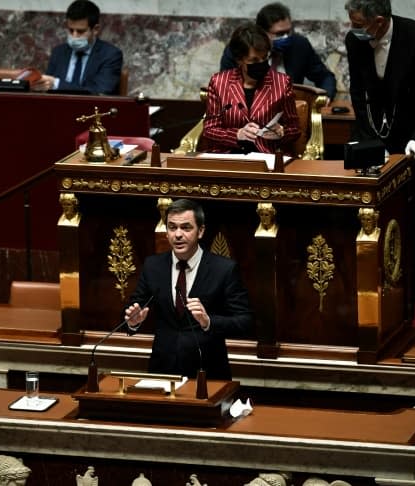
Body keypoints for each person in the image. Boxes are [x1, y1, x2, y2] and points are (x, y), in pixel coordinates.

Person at [344, 0, 415, 304]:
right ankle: (369, 291)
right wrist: (370, 141)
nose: (353, 30)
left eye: (359, 24)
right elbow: (358, 94)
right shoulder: (355, 41)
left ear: (378, 20)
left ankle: (411, 296)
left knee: (413, 221)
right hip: (375, 137)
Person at [124, 199, 254, 380]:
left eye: (186, 228)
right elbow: (135, 306)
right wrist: (133, 321)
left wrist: (208, 321)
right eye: (172, 227)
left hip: (207, 374)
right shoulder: (153, 266)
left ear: (200, 231)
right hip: (163, 373)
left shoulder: (223, 269)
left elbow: (244, 322)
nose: (178, 234)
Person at [203, 22, 301, 155]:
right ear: (239, 60)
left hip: (267, 158)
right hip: (228, 157)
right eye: (254, 61)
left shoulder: (282, 83)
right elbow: (209, 129)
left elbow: (295, 129)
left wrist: (282, 132)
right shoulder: (219, 83)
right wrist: (237, 134)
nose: (261, 64)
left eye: (264, 58)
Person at [220, 3, 337, 102]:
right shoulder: (239, 48)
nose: (286, 37)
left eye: (288, 32)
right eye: (280, 34)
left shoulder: (299, 45)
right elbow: (226, 87)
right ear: (262, 32)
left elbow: (325, 76)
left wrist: (325, 97)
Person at [34, 0, 123, 95]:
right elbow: (47, 91)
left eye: (80, 31)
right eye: (71, 30)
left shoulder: (110, 55)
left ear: (95, 29)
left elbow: (100, 91)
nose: (74, 36)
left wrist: (57, 84)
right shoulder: (58, 52)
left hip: (92, 108)